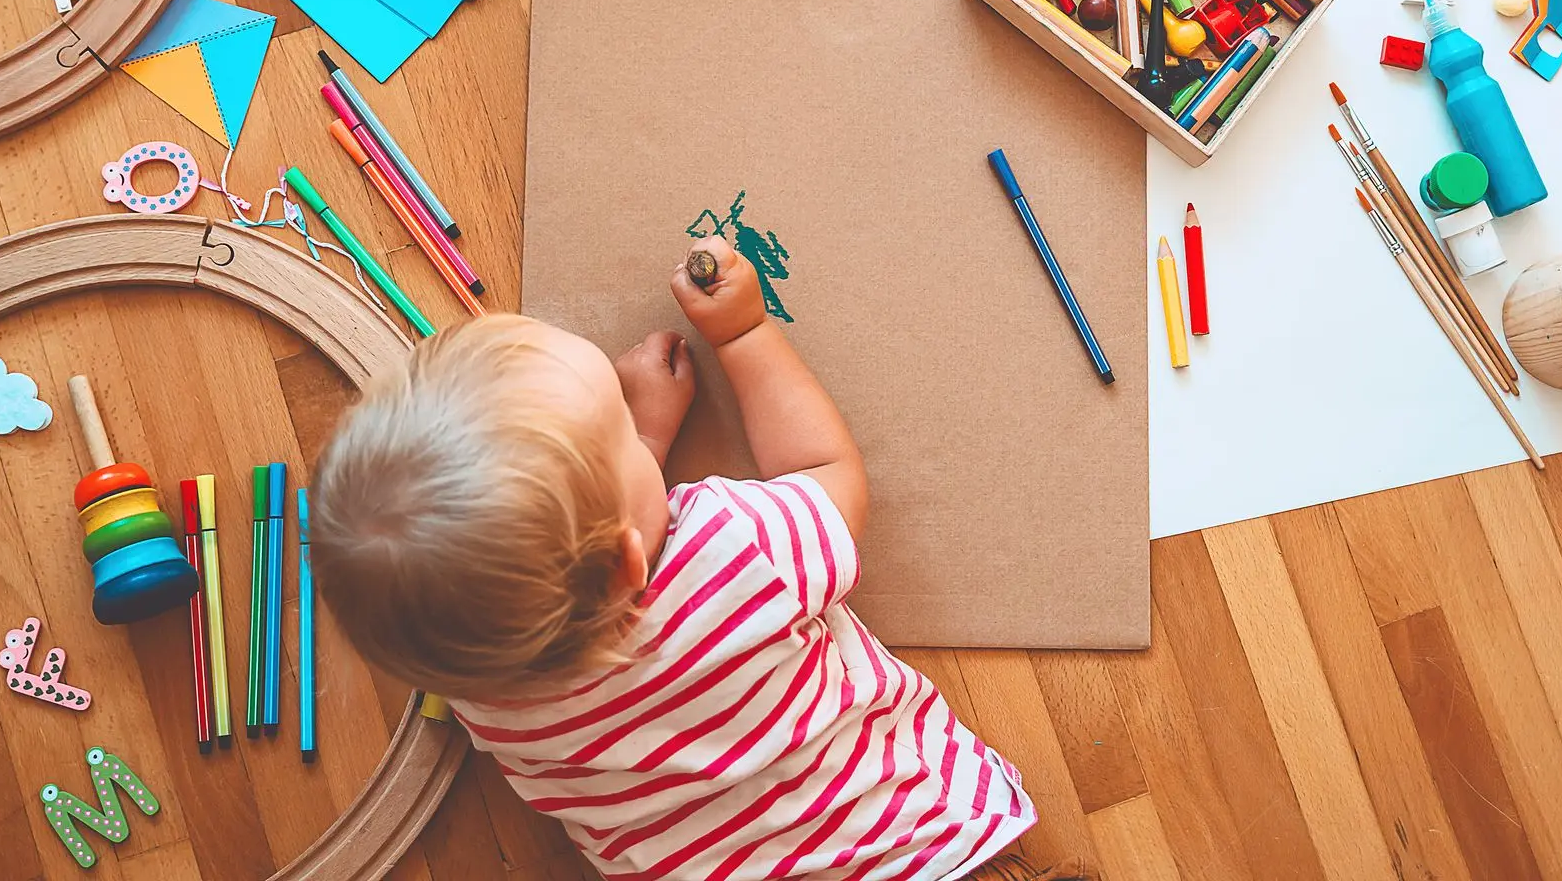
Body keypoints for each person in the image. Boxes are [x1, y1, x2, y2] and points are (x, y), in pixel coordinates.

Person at [312, 235, 1069, 879]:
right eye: (617, 417)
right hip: (925, 846)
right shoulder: (734, 552)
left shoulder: (490, 699)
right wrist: (743, 334)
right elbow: (827, 474)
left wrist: (637, 449)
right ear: (625, 560)